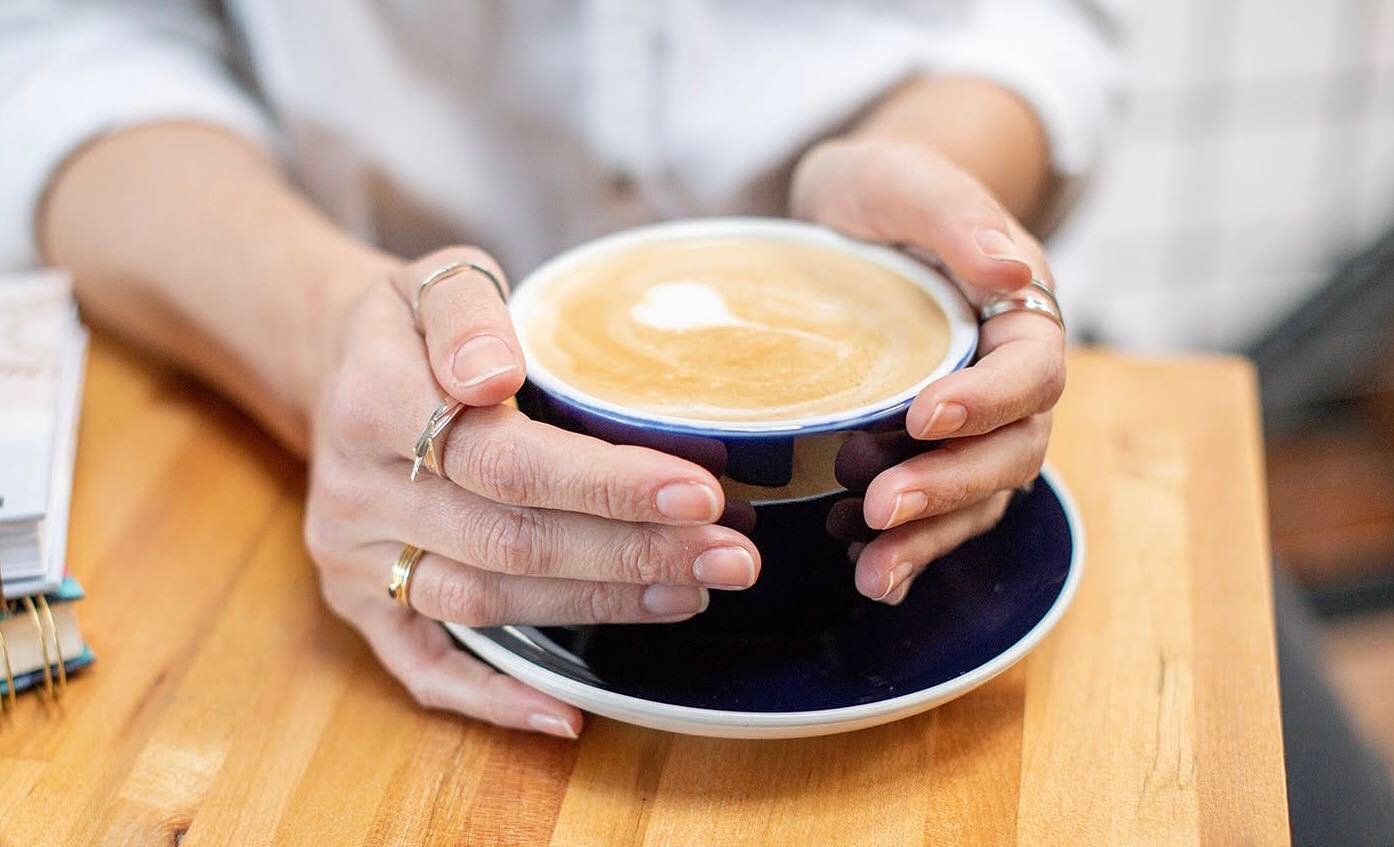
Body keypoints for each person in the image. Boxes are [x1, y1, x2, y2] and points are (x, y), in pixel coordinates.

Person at [0, 2, 1120, 738]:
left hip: (962, 379)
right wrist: (322, 327)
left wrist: (936, 181)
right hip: (364, 422)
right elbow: (60, 53)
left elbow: (1045, 23)